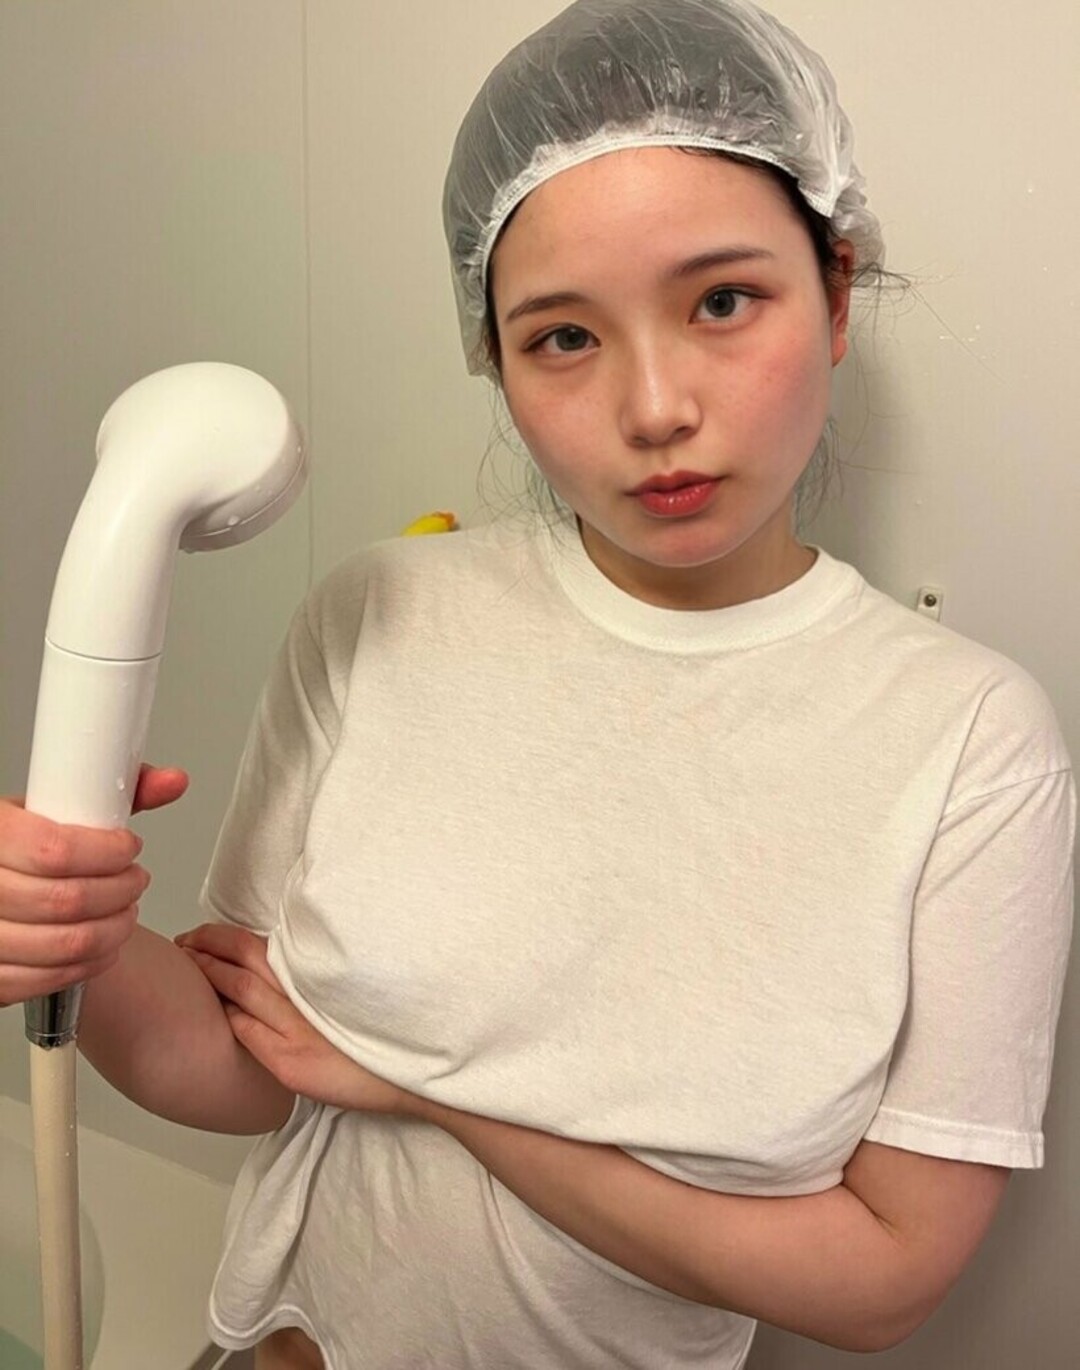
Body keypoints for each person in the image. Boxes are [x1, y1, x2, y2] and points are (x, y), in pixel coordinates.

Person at [1, 2, 1074, 1367]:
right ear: (496, 360)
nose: (654, 408)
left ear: (837, 295)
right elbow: (246, 1064)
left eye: (723, 301)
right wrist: (77, 940)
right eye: (564, 337)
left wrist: (431, 1093)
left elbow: (882, 1280)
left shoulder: (969, 743)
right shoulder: (378, 612)